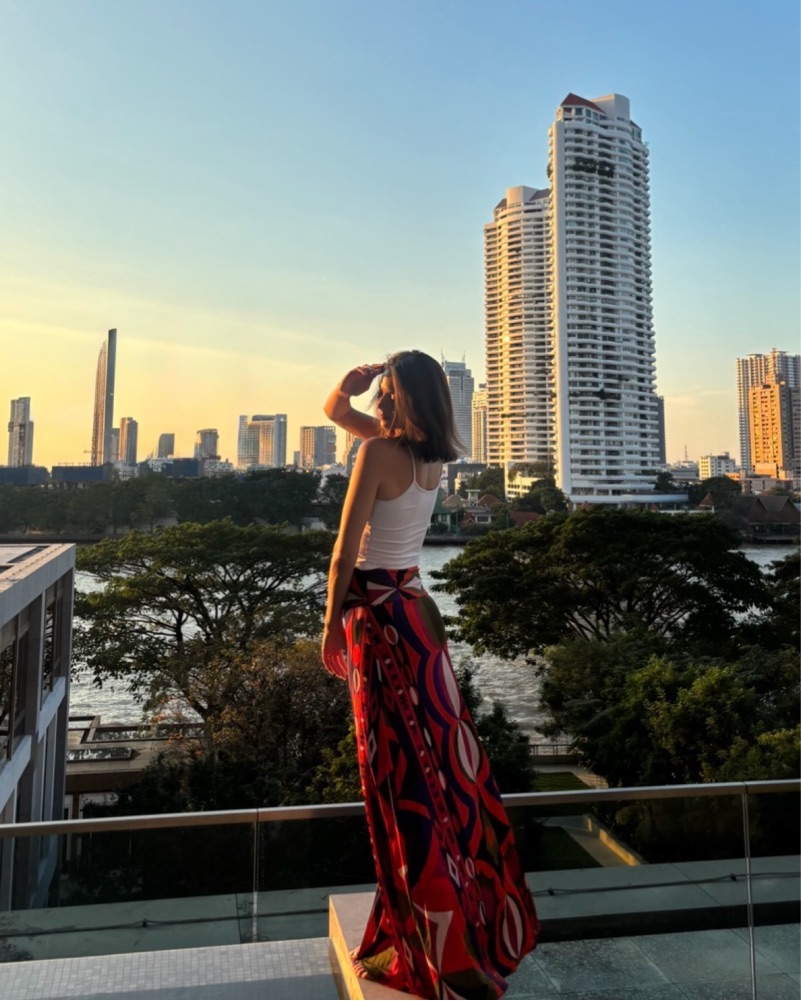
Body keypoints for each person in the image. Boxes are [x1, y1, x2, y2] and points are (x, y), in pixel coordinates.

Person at [322, 350, 539, 999]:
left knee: (395, 773)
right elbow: (337, 412)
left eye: (387, 390)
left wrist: (328, 625)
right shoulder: (430, 456)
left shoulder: (377, 452)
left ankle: (423, 934)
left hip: (376, 617)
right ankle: (466, 914)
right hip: (417, 614)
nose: (379, 399)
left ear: (403, 397)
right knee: (441, 766)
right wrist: (348, 387)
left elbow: (344, 551)